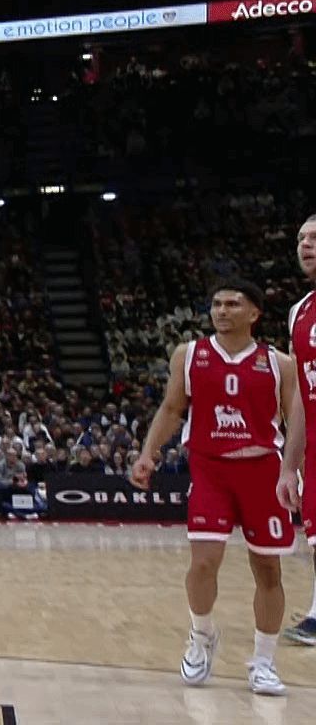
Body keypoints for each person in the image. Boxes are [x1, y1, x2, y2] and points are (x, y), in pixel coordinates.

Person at [131, 278, 305, 696]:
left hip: (263, 469)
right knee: (204, 562)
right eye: (216, 304)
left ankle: (263, 661)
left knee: (267, 568)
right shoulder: (189, 355)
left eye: (232, 304)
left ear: (254, 313)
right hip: (210, 469)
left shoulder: (278, 363)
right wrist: (148, 452)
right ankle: (201, 635)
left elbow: (295, 419)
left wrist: (292, 471)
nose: (221, 311)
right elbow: (172, 408)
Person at [286, 215, 316, 646]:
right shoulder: (299, 310)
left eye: (315, 238)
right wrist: (287, 465)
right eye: (302, 238)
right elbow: (298, 395)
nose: (306, 244)